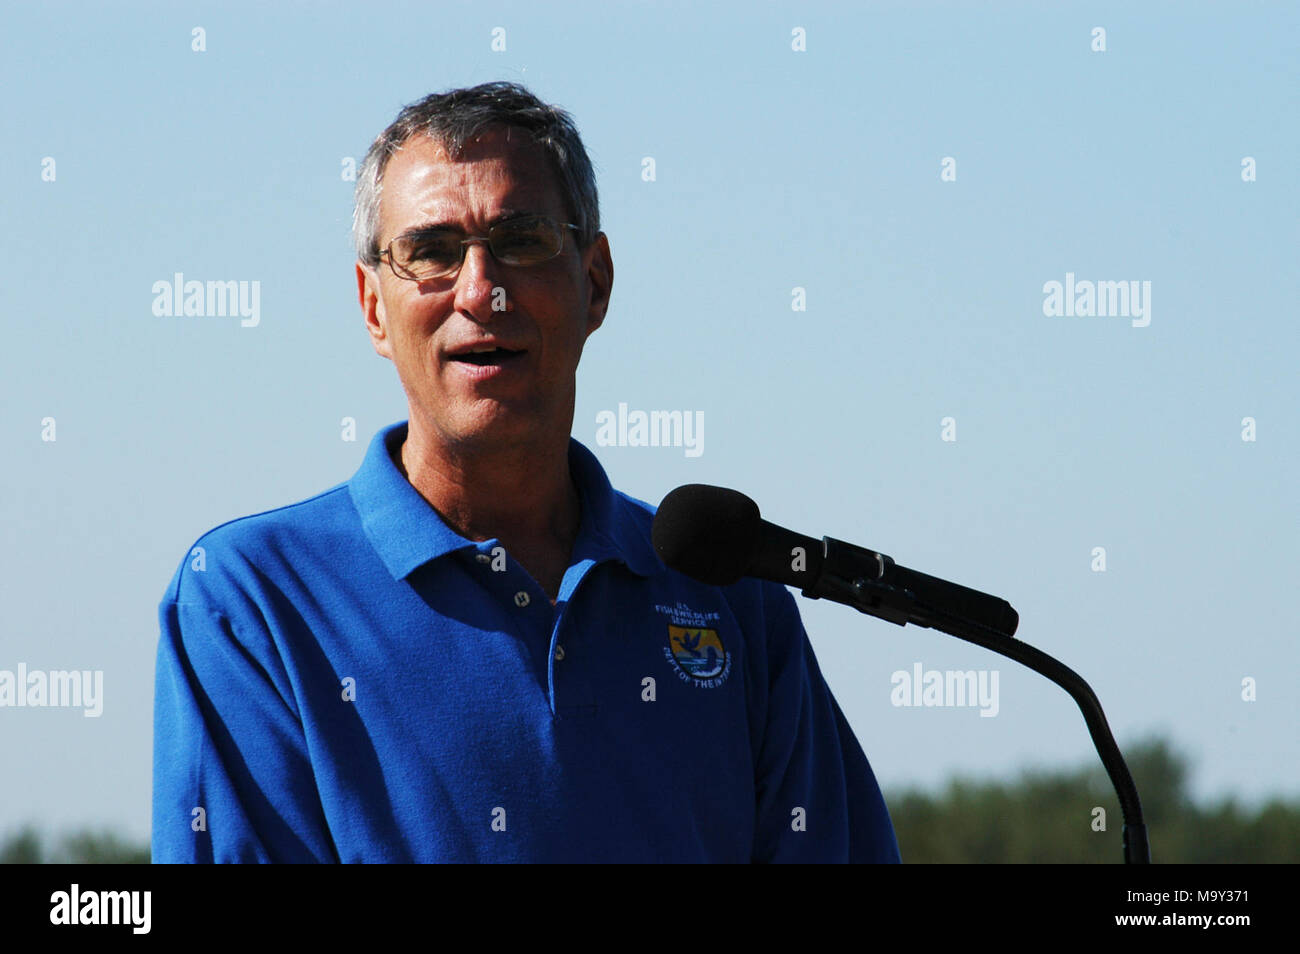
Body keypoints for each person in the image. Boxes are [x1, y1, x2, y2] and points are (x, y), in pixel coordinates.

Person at [151, 81, 901, 863]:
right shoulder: (255, 599)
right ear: (373, 307)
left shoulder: (729, 589)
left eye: (521, 240)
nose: (482, 289)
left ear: (596, 282)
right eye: (432, 252)